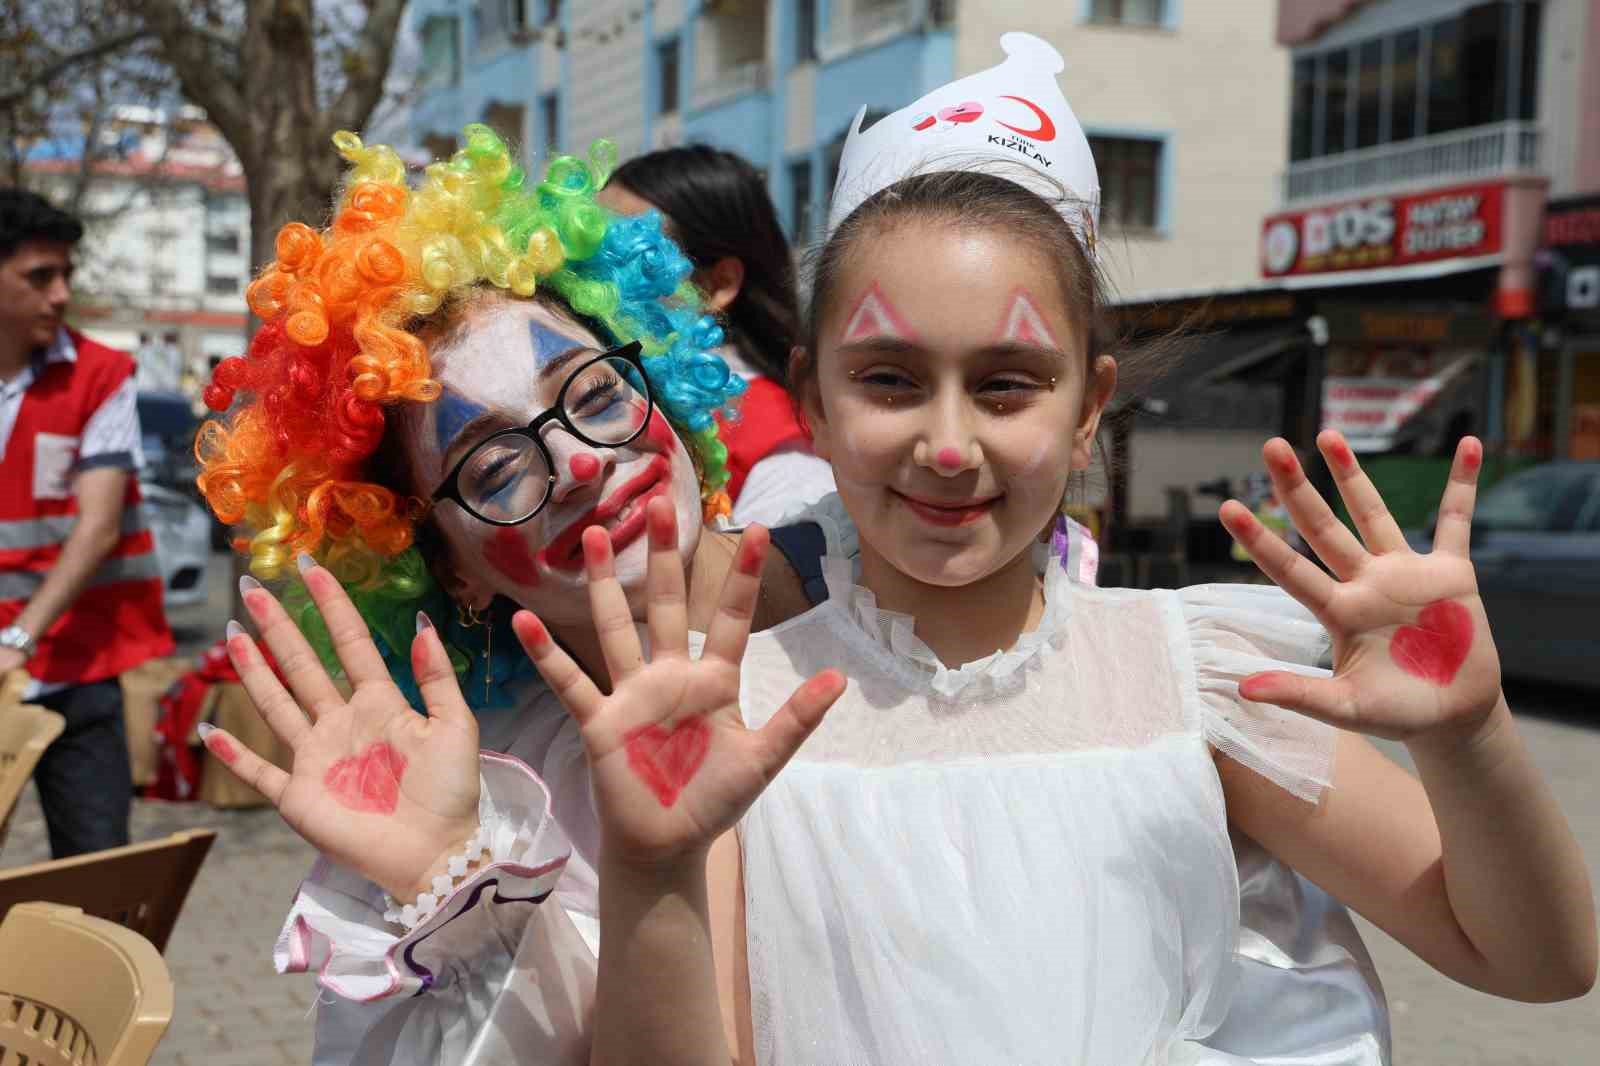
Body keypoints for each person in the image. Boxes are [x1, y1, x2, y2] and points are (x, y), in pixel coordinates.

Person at [508, 33, 1590, 1064]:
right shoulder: (735, 713)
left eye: (1005, 384)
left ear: (1087, 412)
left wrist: (1469, 733)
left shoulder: (1198, 680)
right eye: (887, 379)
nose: (945, 444)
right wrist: (651, 869)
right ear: (814, 406)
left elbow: (1534, 959)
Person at [189, 126, 815, 1063]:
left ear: (668, 392)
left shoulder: (851, 643)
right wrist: (448, 885)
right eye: (495, 464)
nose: (573, 460)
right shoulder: (474, 809)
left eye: (596, 395)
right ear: (449, 567)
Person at [0, 188, 173, 858]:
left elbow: (98, 527)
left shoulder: (103, 376)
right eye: (39, 277)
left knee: (98, 868)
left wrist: (18, 637)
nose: (61, 294)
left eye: (67, 274)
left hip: (76, 669)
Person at [598, 146, 836, 527]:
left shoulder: (787, 464)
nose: (591, 277)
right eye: (584, 249)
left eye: (632, 258)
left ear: (719, 284)